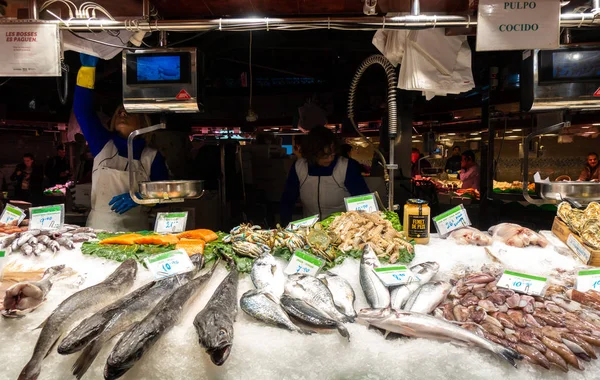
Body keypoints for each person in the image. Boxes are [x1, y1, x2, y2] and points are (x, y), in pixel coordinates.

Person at [74, 54, 169, 231]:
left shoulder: (152, 157)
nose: (122, 114)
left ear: (143, 122)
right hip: (98, 230)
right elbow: (82, 110)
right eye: (119, 112)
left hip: (135, 232)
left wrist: (140, 197)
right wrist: (87, 70)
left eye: (129, 112)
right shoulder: (102, 143)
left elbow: (164, 196)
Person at [280, 126, 370, 225]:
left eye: (332, 154)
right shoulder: (299, 167)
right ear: (312, 154)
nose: (330, 159)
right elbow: (288, 200)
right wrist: (284, 225)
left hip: (342, 229)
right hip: (310, 230)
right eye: (325, 156)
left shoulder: (347, 167)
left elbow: (364, 200)